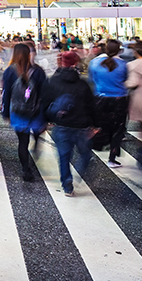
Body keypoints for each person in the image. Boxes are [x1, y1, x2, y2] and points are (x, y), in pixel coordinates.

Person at [42, 51, 95, 196]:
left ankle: (67, 185)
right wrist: (94, 124)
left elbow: (45, 103)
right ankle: (80, 171)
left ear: (61, 62)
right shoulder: (83, 84)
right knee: (85, 154)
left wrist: (46, 120)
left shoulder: (52, 82)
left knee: (64, 157)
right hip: (81, 125)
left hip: (61, 125)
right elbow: (91, 106)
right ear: (75, 63)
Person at [6, 42, 47, 182]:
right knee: (36, 133)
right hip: (36, 112)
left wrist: (5, 113)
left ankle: (26, 169)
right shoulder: (38, 71)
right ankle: (36, 145)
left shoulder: (10, 71)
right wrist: (46, 115)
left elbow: (6, 94)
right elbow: (45, 94)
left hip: (18, 112)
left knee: (22, 142)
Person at [88, 39, 129, 168]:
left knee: (99, 126)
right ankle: (112, 158)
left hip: (100, 98)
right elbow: (125, 79)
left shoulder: (94, 63)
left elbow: (91, 79)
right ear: (119, 50)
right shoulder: (123, 64)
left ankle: (90, 150)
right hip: (119, 99)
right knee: (118, 129)